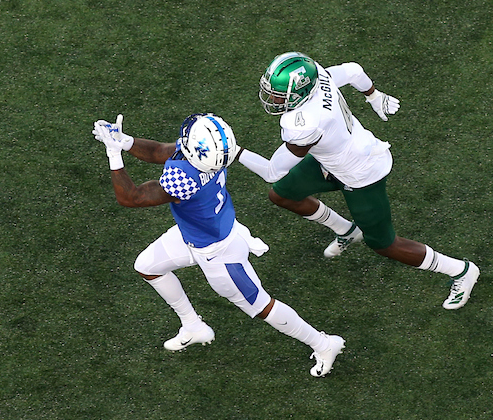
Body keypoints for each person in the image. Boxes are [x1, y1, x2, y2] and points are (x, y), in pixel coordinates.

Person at [92, 111, 346, 377]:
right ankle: (193, 326)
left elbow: (131, 198)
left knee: (262, 307)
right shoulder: (211, 157)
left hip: (218, 252)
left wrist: (114, 154)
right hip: (200, 232)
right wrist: (126, 141)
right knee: (146, 266)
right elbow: (162, 152)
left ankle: (324, 344)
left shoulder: (184, 179)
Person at [235, 51, 479, 310]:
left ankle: (461, 270)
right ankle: (347, 230)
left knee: (384, 244)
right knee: (281, 195)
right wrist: (373, 95)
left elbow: (273, 171)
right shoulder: (316, 77)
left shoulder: (303, 123)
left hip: (360, 172)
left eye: (278, 94)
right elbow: (352, 71)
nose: (272, 98)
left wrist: (235, 152)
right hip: (333, 159)